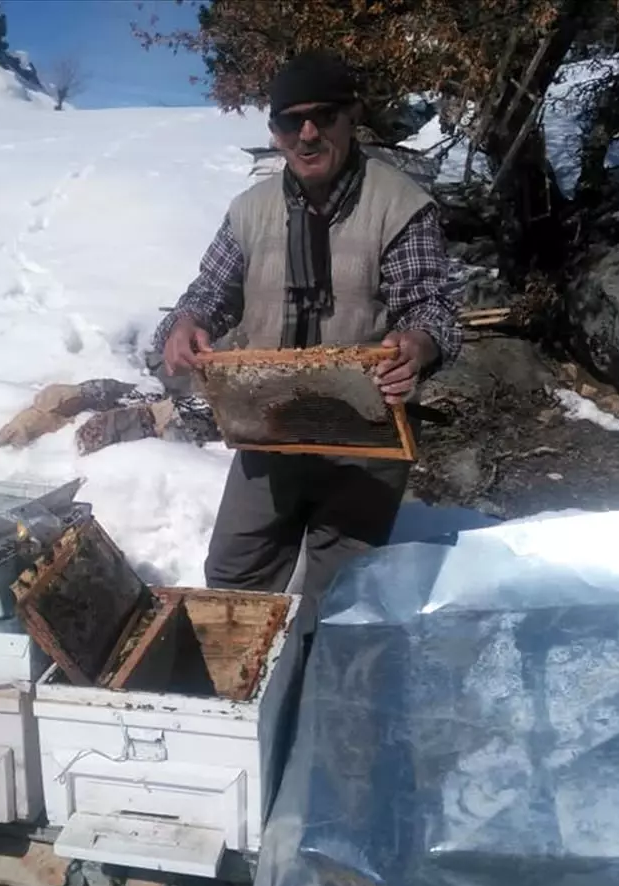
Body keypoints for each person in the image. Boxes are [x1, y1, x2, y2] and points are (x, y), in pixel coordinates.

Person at [153, 50, 460, 615]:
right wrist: (186, 324)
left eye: (324, 116)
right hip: (267, 425)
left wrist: (416, 346)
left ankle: (318, 691)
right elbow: (208, 294)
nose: (309, 133)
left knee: (340, 594)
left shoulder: (401, 206)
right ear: (275, 133)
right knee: (232, 571)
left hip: (363, 434)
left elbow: (432, 308)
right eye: (292, 121)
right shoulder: (250, 210)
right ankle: (246, 691)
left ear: (352, 116)